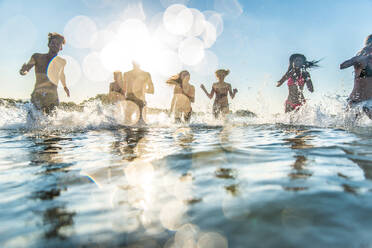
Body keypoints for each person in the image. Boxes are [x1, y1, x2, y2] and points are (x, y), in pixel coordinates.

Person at [19, 32, 70, 114]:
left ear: (61, 47)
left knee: (51, 123)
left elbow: (61, 74)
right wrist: (22, 71)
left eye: (58, 44)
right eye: (53, 43)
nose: (55, 45)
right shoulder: (37, 57)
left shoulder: (62, 62)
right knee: (32, 124)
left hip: (52, 96)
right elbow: (26, 69)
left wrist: (65, 87)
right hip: (38, 94)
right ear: (48, 44)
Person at [340, 34, 372, 120]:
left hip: (370, 102)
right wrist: (356, 59)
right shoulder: (360, 60)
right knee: (346, 126)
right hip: (355, 101)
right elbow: (342, 66)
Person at [122, 61, 154, 125]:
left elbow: (152, 90)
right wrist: (142, 90)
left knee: (128, 124)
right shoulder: (146, 74)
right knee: (141, 124)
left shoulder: (127, 74)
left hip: (133, 99)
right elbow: (151, 90)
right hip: (137, 99)